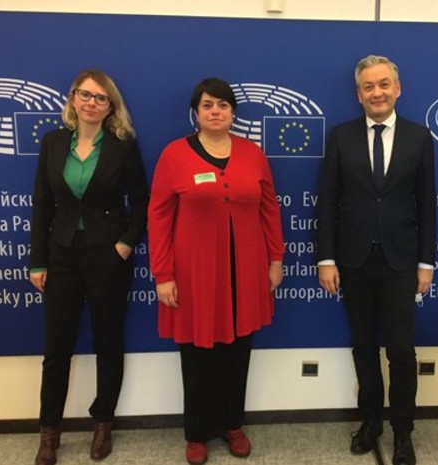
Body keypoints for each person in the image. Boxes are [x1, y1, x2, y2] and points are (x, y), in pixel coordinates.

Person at [148, 77, 285, 465]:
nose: (215, 111)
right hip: (194, 275)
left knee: (238, 351)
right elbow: (159, 216)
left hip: (246, 271)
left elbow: (269, 209)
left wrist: (276, 259)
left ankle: (232, 424)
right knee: (197, 356)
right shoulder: (174, 155)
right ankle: (197, 432)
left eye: (223, 105)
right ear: (196, 112)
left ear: (233, 113)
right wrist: (163, 274)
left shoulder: (252, 154)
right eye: (207, 105)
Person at [317, 55, 436, 465]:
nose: (377, 92)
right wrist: (326, 258)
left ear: (397, 89)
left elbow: (427, 204)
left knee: (401, 351)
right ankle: (371, 421)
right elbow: (327, 202)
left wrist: (426, 263)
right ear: (359, 94)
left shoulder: (419, 137)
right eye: (368, 86)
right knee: (364, 347)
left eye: (384, 84)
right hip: (354, 261)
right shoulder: (341, 136)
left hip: (401, 262)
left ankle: (403, 431)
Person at [29, 69, 148, 465]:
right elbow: (42, 204)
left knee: (107, 341)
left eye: (100, 98)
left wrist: (125, 244)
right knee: (56, 346)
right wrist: (38, 260)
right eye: (85, 95)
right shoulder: (52, 143)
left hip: (107, 255)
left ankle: (103, 423)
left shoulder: (122, 146)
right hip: (61, 253)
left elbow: (141, 201)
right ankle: (49, 432)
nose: (91, 103)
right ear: (73, 98)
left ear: (110, 106)